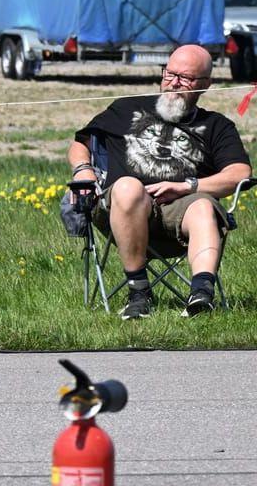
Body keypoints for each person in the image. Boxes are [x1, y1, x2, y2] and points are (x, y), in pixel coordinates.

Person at [69, 44, 251, 318]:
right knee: (129, 187)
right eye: (170, 74)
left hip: (181, 209)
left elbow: (239, 174)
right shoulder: (126, 108)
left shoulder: (217, 126)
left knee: (203, 206)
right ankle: (138, 294)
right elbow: (81, 143)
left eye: (185, 78)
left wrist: (188, 186)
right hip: (121, 208)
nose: (174, 83)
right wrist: (83, 169)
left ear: (205, 85)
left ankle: (201, 295)